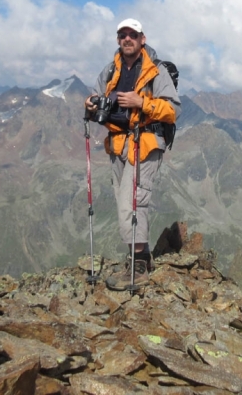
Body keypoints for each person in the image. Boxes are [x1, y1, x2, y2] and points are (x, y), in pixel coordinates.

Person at [85, 18, 181, 290]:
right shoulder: (109, 71)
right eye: (122, 35)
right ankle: (140, 256)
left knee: (133, 202)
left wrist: (142, 103)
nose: (127, 39)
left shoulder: (156, 71)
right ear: (118, 39)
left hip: (145, 141)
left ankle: (138, 267)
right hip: (118, 145)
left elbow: (174, 110)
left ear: (142, 39)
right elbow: (98, 101)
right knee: (123, 202)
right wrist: (91, 105)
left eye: (132, 34)